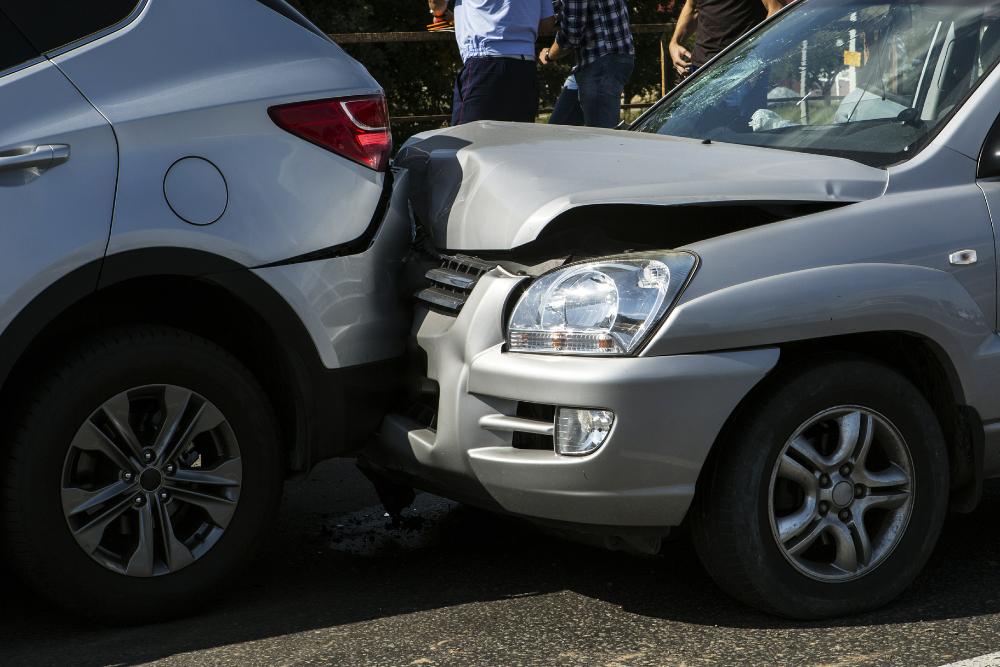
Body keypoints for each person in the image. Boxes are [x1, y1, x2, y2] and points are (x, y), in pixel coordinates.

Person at [429, 0, 555, 125]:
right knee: (516, 141)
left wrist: (438, 14)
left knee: (468, 140)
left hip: (483, 65)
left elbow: (437, 4)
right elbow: (547, 23)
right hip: (525, 66)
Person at [539, 0, 635, 129]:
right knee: (558, 131)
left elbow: (571, 36)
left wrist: (548, 55)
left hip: (600, 62)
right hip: (600, 61)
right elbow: (560, 7)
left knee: (601, 137)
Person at [668, 0, 786, 79]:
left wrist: (756, 57)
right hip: (700, 69)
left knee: (744, 117)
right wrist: (674, 42)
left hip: (743, 69)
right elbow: (692, 6)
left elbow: (777, 9)